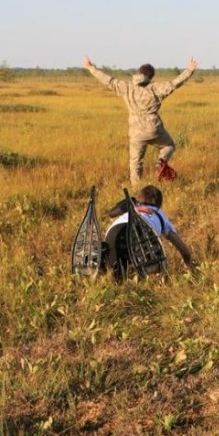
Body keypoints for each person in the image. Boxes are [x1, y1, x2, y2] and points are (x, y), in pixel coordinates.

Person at [83, 55, 198, 184]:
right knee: (169, 145)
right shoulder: (155, 88)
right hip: (154, 128)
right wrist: (189, 70)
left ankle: (136, 189)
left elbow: (108, 80)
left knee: (135, 163)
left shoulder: (127, 87)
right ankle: (161, 162)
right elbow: (175, 83)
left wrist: (91, 68)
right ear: (151, 76)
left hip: (136, 132)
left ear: (139, 73)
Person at [103, 185, 196, 279]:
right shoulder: (158, 212)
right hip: (137, 235)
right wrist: (188, 262)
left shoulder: (131, 207)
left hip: (113, 234)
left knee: (115, 276)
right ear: (159, 204)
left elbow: (109, 214)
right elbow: (179, 244)